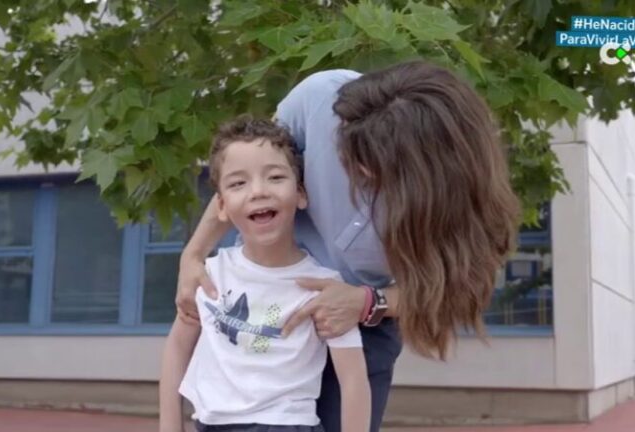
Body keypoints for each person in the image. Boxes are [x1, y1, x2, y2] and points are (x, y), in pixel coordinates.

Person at [168, 61, 521, 432]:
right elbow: (247, 171)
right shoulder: (319, 99)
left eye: (376, 165)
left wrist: (368, 302)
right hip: (264, 302)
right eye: (350, 152)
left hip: (360, 324)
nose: (359, 171)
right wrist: (193, 255)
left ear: (431, 170)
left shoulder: (463, 202)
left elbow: (458, 289)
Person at [159, 117, 371, 432]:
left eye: (274, 177)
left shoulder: (324, 288)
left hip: (285, 425)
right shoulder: (210, 274)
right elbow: (177, 348)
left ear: (300, 194)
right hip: (209, 423)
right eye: (238, 183)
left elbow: (353, 380)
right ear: (221, 205)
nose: (258, 191)